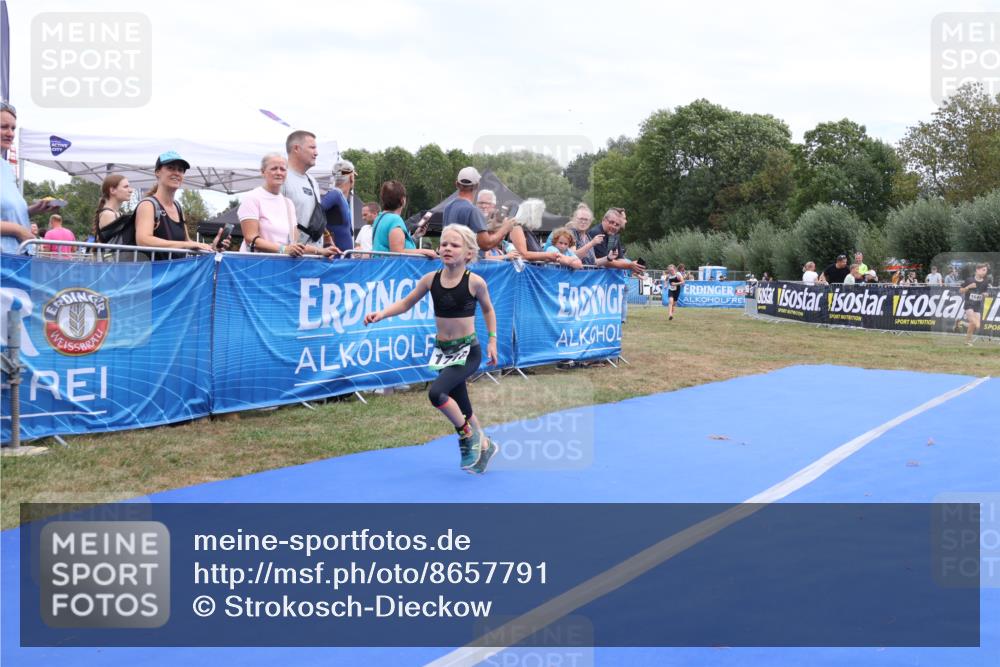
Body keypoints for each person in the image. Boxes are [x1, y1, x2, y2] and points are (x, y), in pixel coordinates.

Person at [364, 224, 499, 474]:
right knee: (462, 405)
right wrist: (381, 313)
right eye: (444, 244)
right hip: (444, 352)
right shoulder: (430, 280)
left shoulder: (475, 282)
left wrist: (492, 340)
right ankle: (486, 444)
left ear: (469, 253)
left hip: (468, 351)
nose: (447, 248)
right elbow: (406, 303)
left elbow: (488, 309)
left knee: (436, 393)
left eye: (454, 245)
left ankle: (466, 435)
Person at [238, 153, 334, 257]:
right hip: (255, 266)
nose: (279, 172)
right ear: (263, 172)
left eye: (283, 169)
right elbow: (250, 239)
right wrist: (284, 249)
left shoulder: (288, 204)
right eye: (274, 168)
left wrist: (321, 251)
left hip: (281, 266)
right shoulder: (252, 198)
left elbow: (294, 244)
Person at [134, 151, 220, 257]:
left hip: (177, 272)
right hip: (155, 272)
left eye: (180, 170)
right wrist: (185, 245)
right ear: (157, 172)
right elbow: (143, 241)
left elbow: (187, 242)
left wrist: (211, 246)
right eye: (171, 168)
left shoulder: (178, 207)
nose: (177, 173)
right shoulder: (148, 205)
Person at [1, 102, 59, 254]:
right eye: (4, 127)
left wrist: (33, 210)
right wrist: (18, 230)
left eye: (13, 128)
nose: (10, 133)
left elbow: (7, 211)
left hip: (19, 255)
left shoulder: (6, 168)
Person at [442, 167, 514, 251]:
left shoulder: (448, 207)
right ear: (477, 185)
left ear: (457, 184)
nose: (483, 206)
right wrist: (505, 229)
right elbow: (486, 244)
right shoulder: (473, 211)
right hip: (469, 262)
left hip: (451, 261)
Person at [282, 130, 328, 252]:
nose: (316, 153)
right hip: (291, 258)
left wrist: (327, 239)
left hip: (314, 257)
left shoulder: (312, 181)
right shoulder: (281, 177)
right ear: (296, 148)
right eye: (312, 147)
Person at [371, 180, 438, 258]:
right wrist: (424, 251)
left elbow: (391, 246)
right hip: (394, 269)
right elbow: (397, 252)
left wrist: (415, 236)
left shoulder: (380, 217)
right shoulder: (394, 220)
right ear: (402, 200)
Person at [590, 208, 644, 276]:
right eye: (611, 222)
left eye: (617, 225)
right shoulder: (596, 233)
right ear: (604, 220)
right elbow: (606, 262)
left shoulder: (613, 234)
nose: (614, 226)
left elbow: (619, 258)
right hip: (595, 277)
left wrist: (634, 265)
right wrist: (629, 265)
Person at [320, 159, 357, 252]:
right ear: (351, 177)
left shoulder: (340, 198)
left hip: (342, 259)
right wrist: (326, 235)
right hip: (335, 260)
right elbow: (316, 212)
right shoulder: (335, 195)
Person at [93, 174, 134, 239]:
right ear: (112, 190)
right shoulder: (108, 215)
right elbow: (116, 243)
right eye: (126, 187)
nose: (131, 190)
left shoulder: (117, 213)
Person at [959, 263, 990, 346]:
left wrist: (985, 294)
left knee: (977, 326)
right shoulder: (969, 280)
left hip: (977, 305)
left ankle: (961, 322)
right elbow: (961, 291)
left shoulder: (985, 282)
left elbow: (985, 292)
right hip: (969, 303)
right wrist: (968, 287)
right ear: (977, 270)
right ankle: (967, 341)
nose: (985, 272)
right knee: (972, 321)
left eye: (986, 271)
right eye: (983, 270)